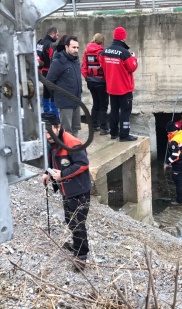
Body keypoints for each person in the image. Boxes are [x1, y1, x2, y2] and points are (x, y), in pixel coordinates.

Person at [41, 113, 91, 270]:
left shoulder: (72, 143)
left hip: (79, 190)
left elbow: (83, 163)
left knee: (78, 224)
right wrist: (47, 173)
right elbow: (52, 158)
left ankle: (81, 257)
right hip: (66, 189)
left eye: (49, 131)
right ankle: (77, 246)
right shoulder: (52, 141)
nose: (47, 135)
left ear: (58, 127)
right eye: (45, 132)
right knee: (70, 220)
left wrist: (62, 174)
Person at [100, 26, 138, 141]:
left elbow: (102, 66)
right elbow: (132, 67)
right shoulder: (125, 53)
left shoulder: (104, 52)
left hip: (111, 87)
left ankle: (114, 133)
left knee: (114, 110)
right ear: (123, 37)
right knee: (125, 111)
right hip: (124, 88)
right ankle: (124, 135)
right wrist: (134, 59)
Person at [46, 35, 82, 138]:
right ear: (66, 47)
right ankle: (67, 151)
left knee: (76, 128)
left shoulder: (75, 60)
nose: (76, 50)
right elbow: (49, 81)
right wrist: (59, 95)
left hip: (76, 101)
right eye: (73, 47)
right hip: (65, 103)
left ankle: (76, 150)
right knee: (67, 130)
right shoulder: (59, 62)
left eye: (77, 47)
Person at [81, 33, 109, 135]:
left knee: (96, 103)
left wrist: (87, 78)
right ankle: (103, 128)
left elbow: (83, 67)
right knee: (103, 105)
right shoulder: (101, 52)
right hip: (101, 82)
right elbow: (105, 68)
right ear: (102, 42)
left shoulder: (86, 52)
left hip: (91, 82)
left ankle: (93, 125)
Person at [36, 26, 59, 117]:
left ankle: (46, 111)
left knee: (46, 91)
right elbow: (53, 60)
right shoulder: (50, 45)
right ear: (52, 34)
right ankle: (55, 114)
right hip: (49, 71)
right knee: (53, 92)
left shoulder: (39, 43)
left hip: (41, 71)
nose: (57, 37)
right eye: (57, 35)